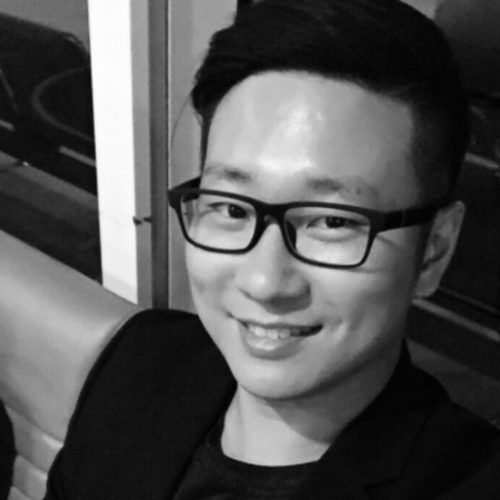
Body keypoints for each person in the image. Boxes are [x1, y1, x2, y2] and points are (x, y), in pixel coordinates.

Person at [44, 0, 500, 498]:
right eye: (232, 208)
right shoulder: (142, 362)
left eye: (333, 221)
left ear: (434, 250)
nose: (264, 282)